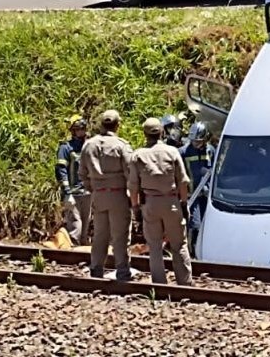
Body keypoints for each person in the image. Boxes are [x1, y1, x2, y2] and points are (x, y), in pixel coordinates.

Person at [129, 118, 192, 285]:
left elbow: (133, 186)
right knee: (179, 244)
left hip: (150, 204)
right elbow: (183, 182)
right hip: (171, 202)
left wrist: (136, 208)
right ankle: (185, 282)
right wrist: (184, 204)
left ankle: (159, 283)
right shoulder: (172, 152)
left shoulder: (137, 155)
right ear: (162, 132)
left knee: (154, 246)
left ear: (145, 134)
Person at [79, 109, 133, 280]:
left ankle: (96, 269)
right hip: (118, 195)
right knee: (120, 235)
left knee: (100, 235)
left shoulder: (89, 145)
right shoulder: (121, 145)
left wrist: (93, 188)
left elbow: (82, 173)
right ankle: (122, 270)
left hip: (98, 195)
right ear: (117, 125)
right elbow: (130, 171)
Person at [55, 115, 91, 246]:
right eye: (78, 129)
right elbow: (61, 170)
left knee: (85, 226)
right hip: (73, 193)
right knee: (76, 226)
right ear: (73, 131)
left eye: (83, 129)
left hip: (87, 192)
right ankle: (72, 250)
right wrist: (67, 192)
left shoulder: (88, 146)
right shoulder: (66, 148)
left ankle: (82, 252)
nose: (82, 132)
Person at [179, 121, 215, 252]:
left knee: (209, 227)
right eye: (194, 141)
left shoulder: (210, 151)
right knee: (195, 226)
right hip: (191, 197)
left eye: (198, 141)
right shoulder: (183, 152)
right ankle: (193, 253)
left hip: (207, 196)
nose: (196, 143)